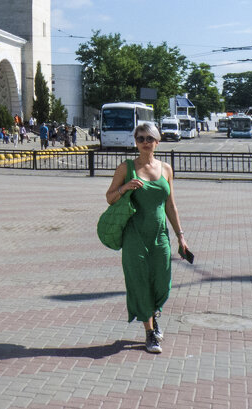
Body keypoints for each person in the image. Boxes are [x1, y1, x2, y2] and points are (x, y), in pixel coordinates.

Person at [105, 122, 189, 354]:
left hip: (160, 234)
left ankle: (153, 314)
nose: (144, 142)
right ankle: (149, 333)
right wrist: (126, 188)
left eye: (148, 138)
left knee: (162, 281)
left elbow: (170, 205)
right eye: (140, 138)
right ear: (136, 142)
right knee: (140, 282)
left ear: (157, 142)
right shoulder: (126, 168)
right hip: (135, 236)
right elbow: (110, 197)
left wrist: (180, 236)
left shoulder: (166, 169)